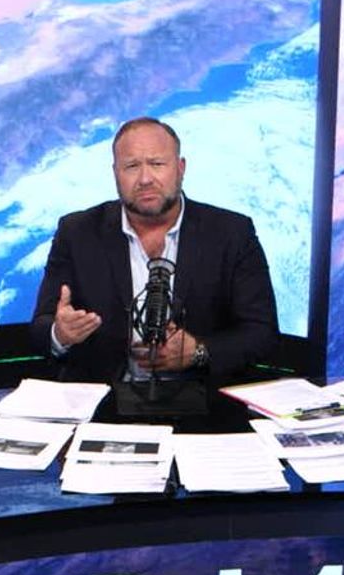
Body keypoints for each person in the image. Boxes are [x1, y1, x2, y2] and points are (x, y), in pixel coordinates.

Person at [29, 116, 278, 384]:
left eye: (157, 164)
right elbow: (41, 328)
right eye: (132, 166)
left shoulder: (232, 233)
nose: (145, 179)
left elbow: (261, 333)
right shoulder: (77, 232)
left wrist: (199, 352)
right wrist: (60, 334)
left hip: (200, 399)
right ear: (115, 173)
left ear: (180, 168)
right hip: (106, 399)